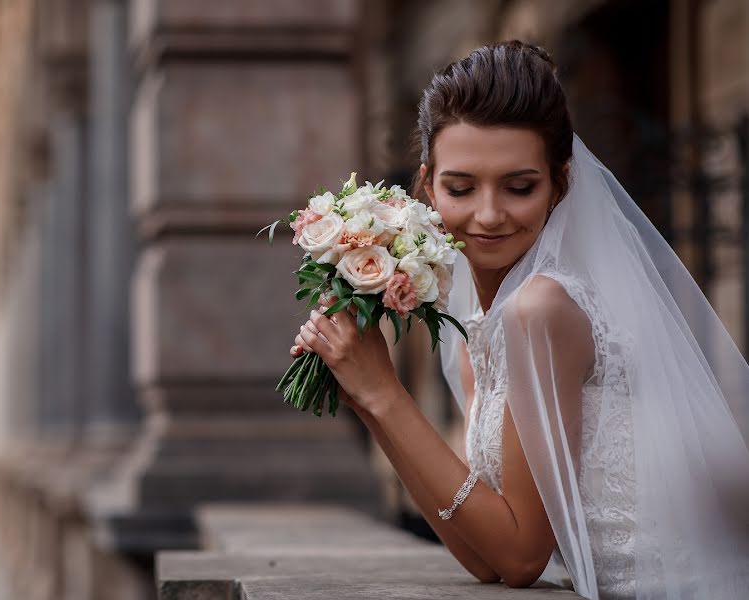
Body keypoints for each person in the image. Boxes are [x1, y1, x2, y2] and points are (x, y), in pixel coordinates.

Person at [290, 40, 749, 599]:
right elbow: (481, 554)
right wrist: (362, 394)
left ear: (560, 184)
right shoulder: (478, 330)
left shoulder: (543, 311)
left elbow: (521, 557)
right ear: (426, 186)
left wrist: (386, 393)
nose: (487, 214)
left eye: (519, 187)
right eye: (461, 187)